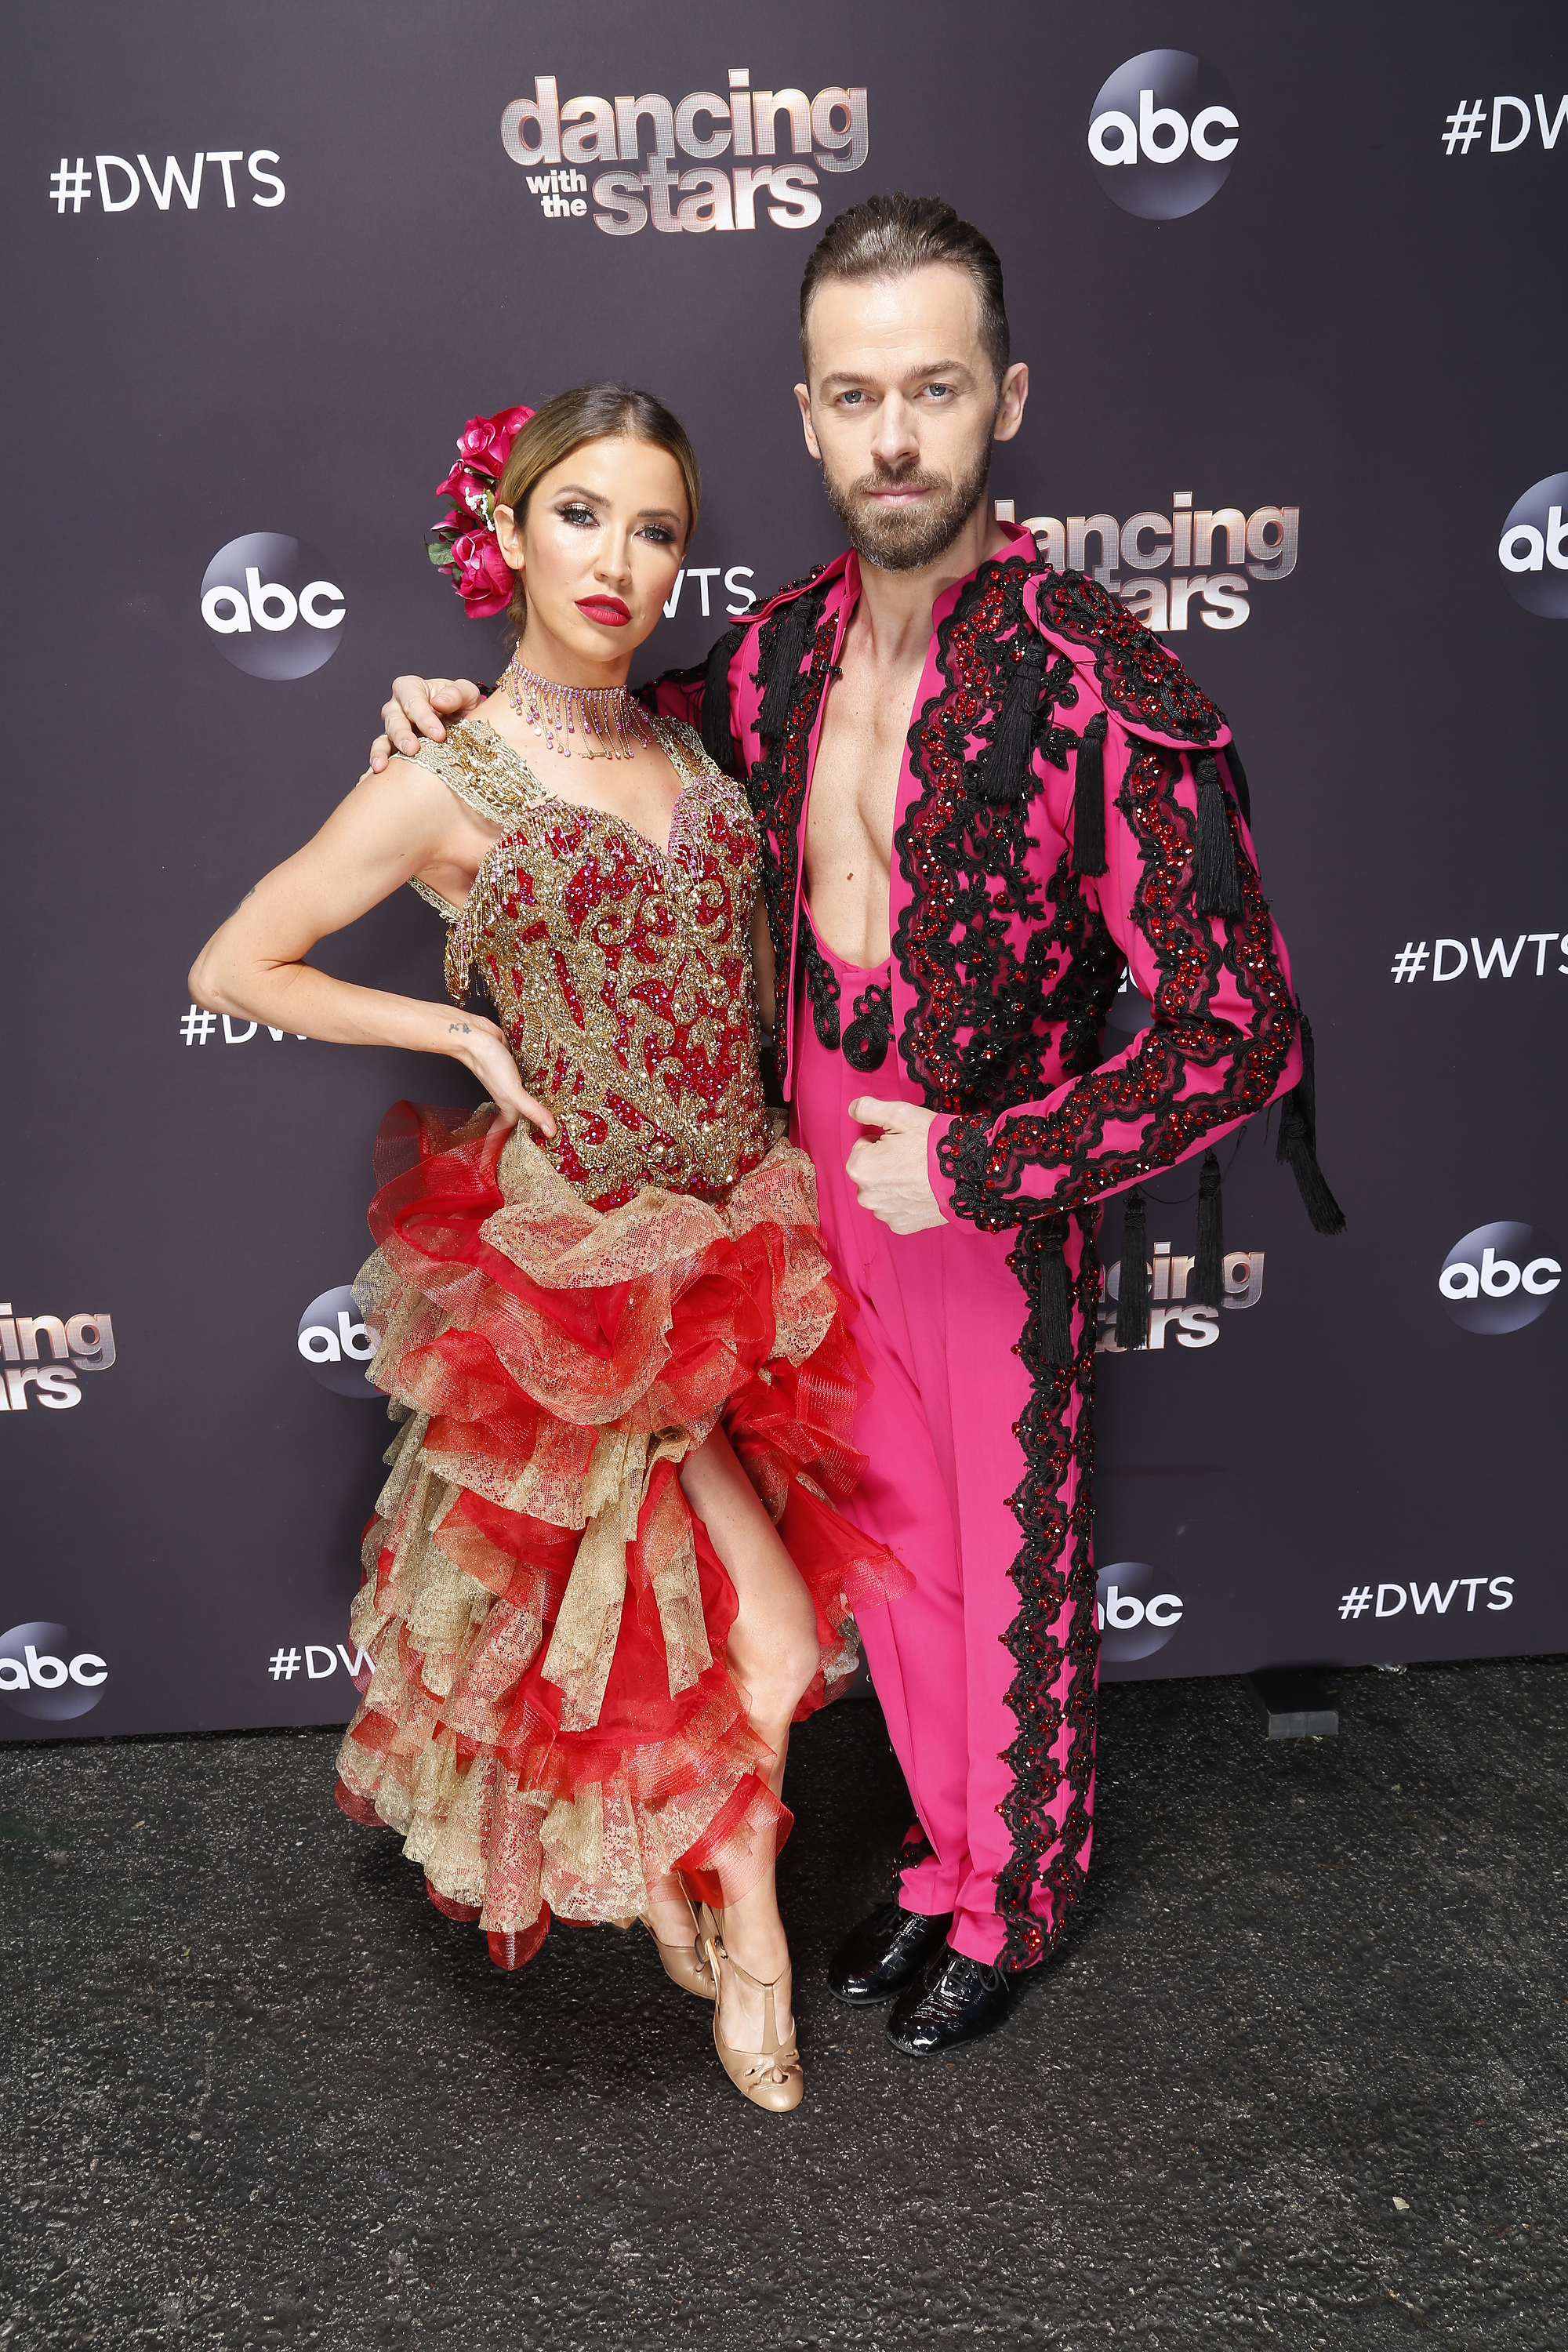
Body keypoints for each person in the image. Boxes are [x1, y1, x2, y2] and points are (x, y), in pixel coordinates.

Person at [373, 195, 1342, 2057]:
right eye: (853, 395)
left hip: (981, 1192)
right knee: (880, 1560)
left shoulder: (1095, 678)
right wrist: (457, 724)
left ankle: (1014, 1896)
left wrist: (985, 1165)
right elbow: (600, 759)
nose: (894, 435)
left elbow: (1242, 1029)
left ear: (1002, 401)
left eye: (934, 389)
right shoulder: (771, 661)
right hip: (795, 1185)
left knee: (1004, 1568)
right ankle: (930, 1868)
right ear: (807, 421)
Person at [190, 381, 908, 2114]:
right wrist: (459, 1042)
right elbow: (237, 964)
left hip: (740, 1254)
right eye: (579, 513)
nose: (619, 556)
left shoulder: (684, 748)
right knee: (760, 1645)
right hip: (576, 1287)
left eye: (655, 526)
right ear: (504, 534)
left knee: (683, 1641)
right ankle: (749, 1939)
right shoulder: (445, 775)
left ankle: (686, 1872)